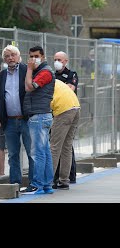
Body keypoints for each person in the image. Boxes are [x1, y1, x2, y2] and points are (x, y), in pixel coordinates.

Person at [21, 45, 55, 195]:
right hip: (41, 115)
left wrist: (28, 69)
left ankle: (37, 184)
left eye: (36, 56)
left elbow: (29, 87)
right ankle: (47, 184)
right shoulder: (41, 71)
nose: (33, 59)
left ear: (43, 57)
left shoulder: (45, 72)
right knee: (45, 151)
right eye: (31, 56)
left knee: (38, 152)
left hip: (39, 116)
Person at [0, 45, 34, 186]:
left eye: (13, 55)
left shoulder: (26, 70)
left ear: (19, 56)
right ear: (4, 59)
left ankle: (34, 182)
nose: (10, 58)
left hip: (26, 119)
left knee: (31, 153)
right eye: (7, 56)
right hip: (10, 122)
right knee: (13, 154)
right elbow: (0, 97)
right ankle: (15, 183)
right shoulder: (2, 75)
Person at [50, 79, 80, 190]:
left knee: (54, 147)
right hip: (75, 107)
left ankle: (49, 180)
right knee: (66, 147)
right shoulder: (56, 80)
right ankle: (64, 181)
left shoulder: (41, 81)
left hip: (63, 109)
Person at [53, 51, 78, 184]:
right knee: (62, 146)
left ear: (66, 61)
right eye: (55, 59)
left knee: (61, 146)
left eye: (60, 60)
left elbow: (70, 89)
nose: (57, 62)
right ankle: (62, 178)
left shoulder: (71, 74)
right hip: (57, 111)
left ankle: (66, 176)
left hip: (66, 110)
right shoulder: (52, 75)